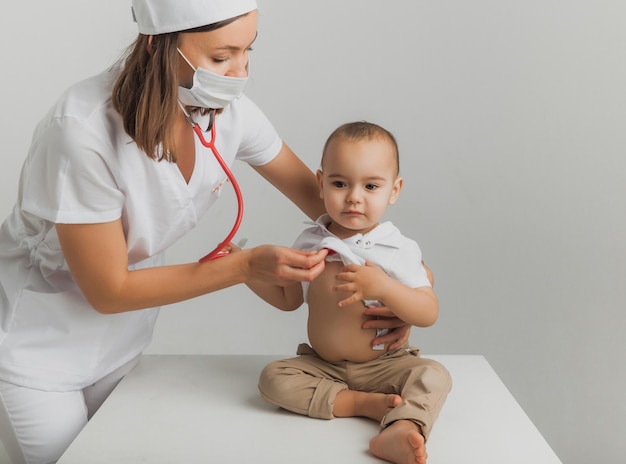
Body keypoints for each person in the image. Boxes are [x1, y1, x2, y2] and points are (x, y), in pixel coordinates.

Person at [0, 2, 412, 463]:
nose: (239, 73)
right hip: (39, 348)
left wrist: (405, 282)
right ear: (159, 43)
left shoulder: (224, 110)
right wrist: (244, 266)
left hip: (123, 341)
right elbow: (108, 290)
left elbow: (336, 207)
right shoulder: (81, 132)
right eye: (221, 57)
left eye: (247, 51)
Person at [246, 121, 452, 464]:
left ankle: (403, 427)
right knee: (273, 379)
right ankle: (360, 403)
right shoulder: (311, 240)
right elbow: (290, 300)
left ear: (394, 190)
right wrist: (245, 273)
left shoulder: (395, 248)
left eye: (371, 185)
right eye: (340, 183)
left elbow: (428, 311)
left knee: (434, 376)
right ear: (320, 183)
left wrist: (384, 286)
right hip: (321, 365)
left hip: (384, 365)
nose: (354, 196)